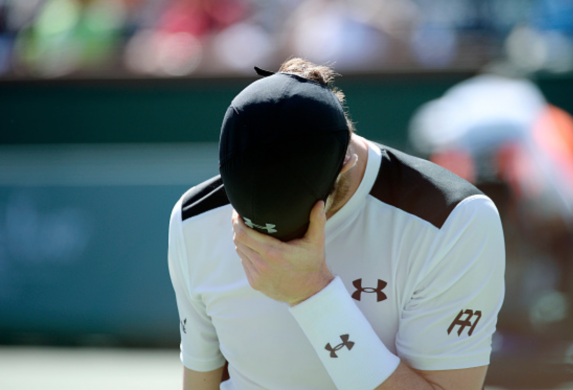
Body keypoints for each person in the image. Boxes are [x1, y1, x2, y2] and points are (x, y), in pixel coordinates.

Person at [167, 58, 505, 390]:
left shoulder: (454, 220)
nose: (269, 238)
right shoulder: (192, 217)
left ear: (345, 165)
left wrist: (312, 295)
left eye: (295, 215)